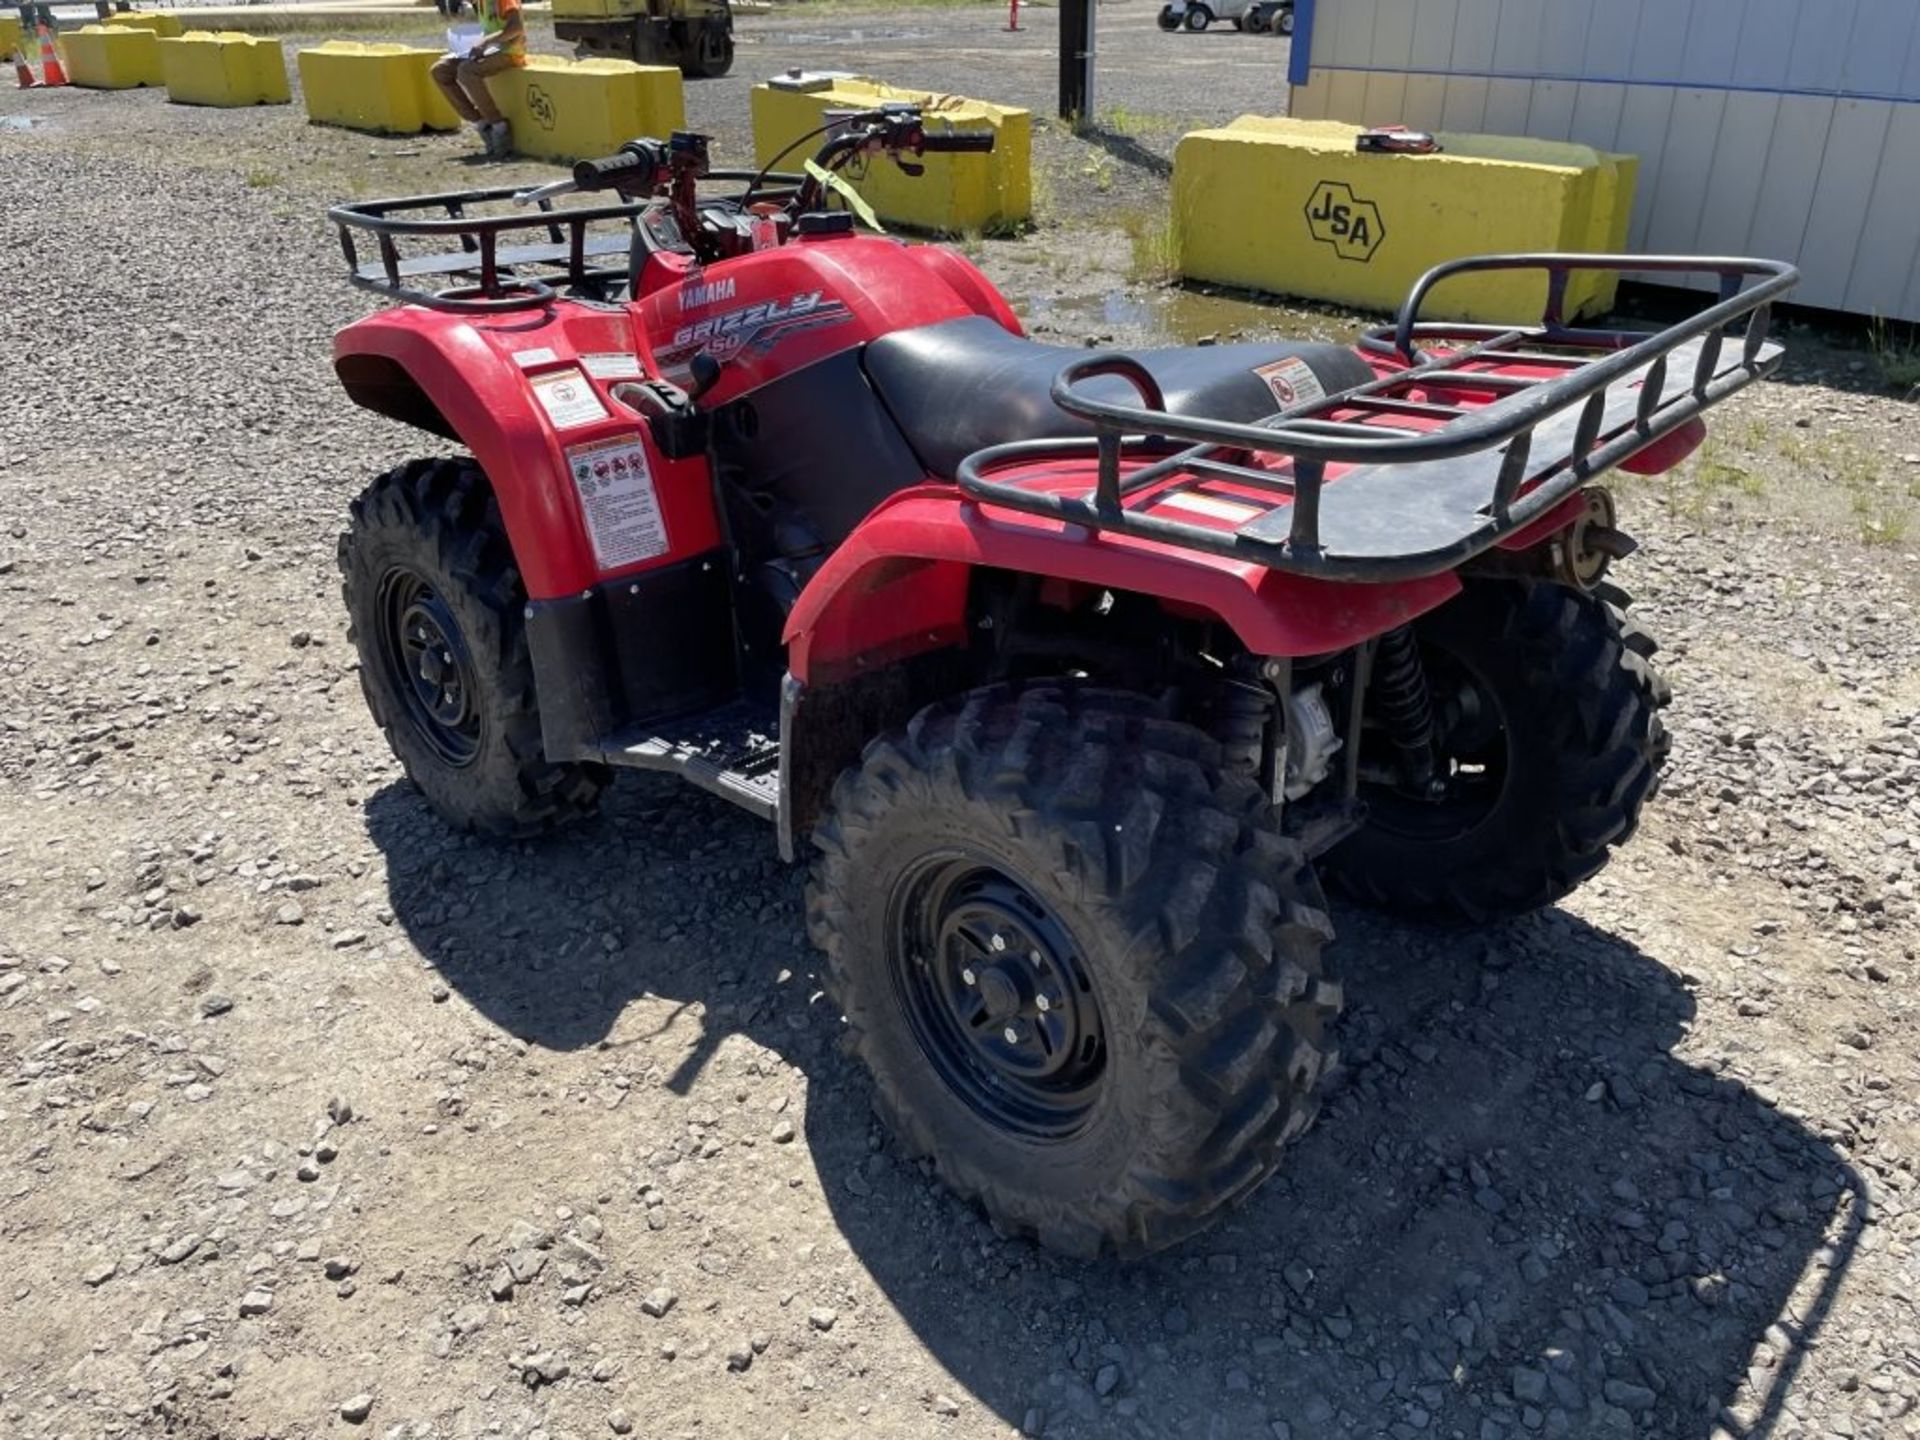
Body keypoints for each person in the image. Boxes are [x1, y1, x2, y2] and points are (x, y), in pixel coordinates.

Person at [429, 0, 526, 160]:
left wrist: (486, 41)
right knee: (440, 71)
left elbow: (516, 28)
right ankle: (480, 123)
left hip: (509, 52)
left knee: (466, 71)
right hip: (489, 50)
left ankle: (499, 127)